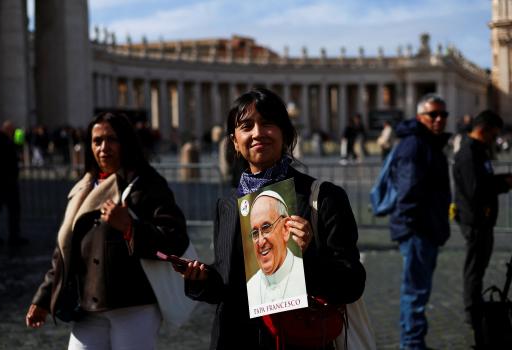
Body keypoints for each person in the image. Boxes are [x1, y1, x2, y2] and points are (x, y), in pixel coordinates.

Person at [182, 88, 366, 349]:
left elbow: (352, 284)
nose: (257, 133)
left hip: (300, 338)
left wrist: (308, 255)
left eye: (267, 123)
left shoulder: (324, 198)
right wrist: (199, 280)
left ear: (286, 134)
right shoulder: (228, 205)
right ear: (234, 141)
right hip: (234, 338)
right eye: (246, 126)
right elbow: (227, 286)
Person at [25, 112, 189, 350]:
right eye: (97, 141)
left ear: (126, 142)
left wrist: (130, 227)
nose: (104, 147)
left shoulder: (147, 184)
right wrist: (43, 297)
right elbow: (64, 250)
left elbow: (176, 238)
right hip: (88, 306)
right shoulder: (82, 188)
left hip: (134, 305)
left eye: (112, 139)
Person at [389, 93, 452, 350]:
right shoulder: (416, 145)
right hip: (419, 230)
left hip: (426, 227)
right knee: (415, 294)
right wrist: (412, 227)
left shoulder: (427, 143)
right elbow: (407, 191)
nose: (439, 120)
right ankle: (412, 345)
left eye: (443, 115)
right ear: (419, 117)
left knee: (418, 293)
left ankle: (415, 343)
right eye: (432, 115)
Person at [452, 110, 512, 345]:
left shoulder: (479, 150)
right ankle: (473, 311)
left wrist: (502, 180)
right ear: (484, 129)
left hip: (483, 220)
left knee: (480, 265)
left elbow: (483, 180)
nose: (493, 139)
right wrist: (504, 183)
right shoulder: (468, 153)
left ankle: (476, 306)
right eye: (493, 134)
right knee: (474, 268)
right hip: (475, 220)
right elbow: (476, 190)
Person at [246, 190, 306, 307]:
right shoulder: (251, 287)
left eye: (266, 227)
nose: (261, 241)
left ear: (285, 228)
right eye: (255, 233)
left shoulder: (305, 274)